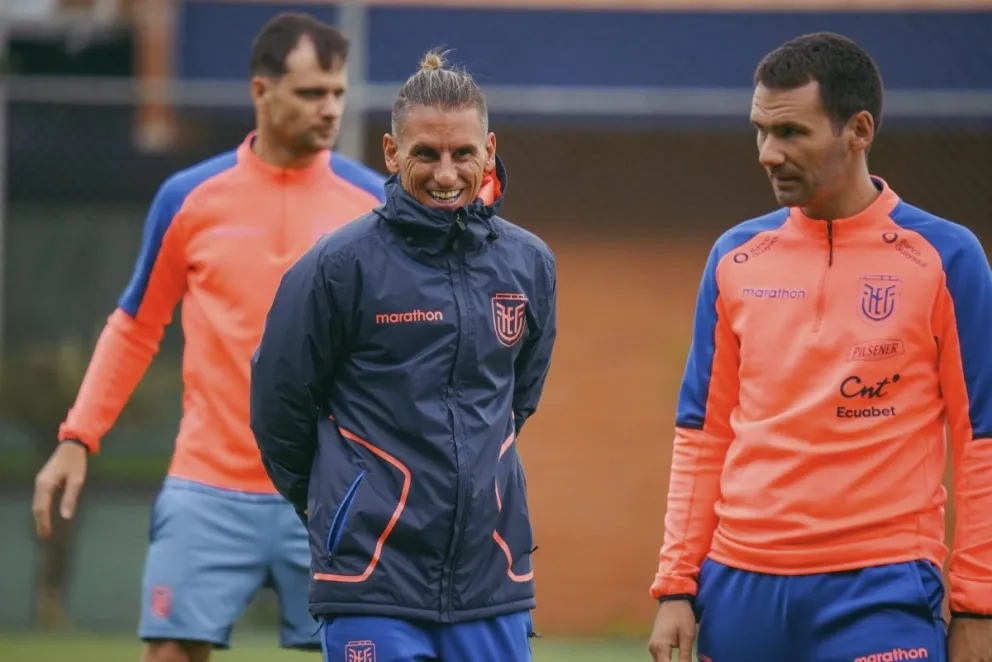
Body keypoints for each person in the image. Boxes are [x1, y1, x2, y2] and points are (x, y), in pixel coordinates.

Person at [30, 12, 386, 662]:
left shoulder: (374, 207)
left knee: (366, 654)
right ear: (261, 92)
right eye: (311, 93)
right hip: (208, 483)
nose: (329, 109)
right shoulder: (188, 197)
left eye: (337, 93)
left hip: (331, 490)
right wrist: (78, 437)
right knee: (169, 652)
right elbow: (135, 325)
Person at [647, 32, 992, 662]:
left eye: (791, 134)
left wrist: (978, 604)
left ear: (858, 130)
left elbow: (981, 443)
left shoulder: (948, 259)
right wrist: (676, 585)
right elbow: (702, 433)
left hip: (882, 588)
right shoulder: (734, 258)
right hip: (740, 588)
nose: (767, 154)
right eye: (760, 131)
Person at [249, 49, 557, 662]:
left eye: (463, 154)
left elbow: (518, 397)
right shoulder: (337, 267)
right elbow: (278, 407)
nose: (446, 174)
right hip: (370, 579)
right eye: (425, 154)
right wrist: (339, 499)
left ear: (489, 151)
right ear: (392, 155)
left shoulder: (529, 264)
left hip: (491, 577)